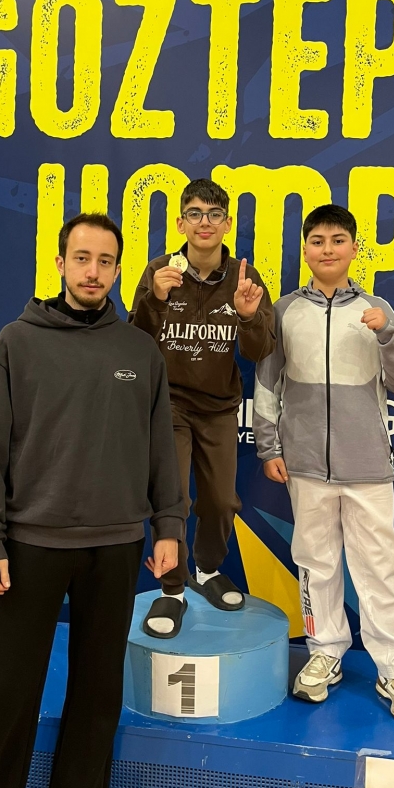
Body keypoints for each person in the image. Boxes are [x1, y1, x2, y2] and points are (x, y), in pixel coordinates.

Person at [0, 213, 184, 788]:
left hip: (116, 545)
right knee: (3, 697)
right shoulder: (17, 342)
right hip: (30, 548)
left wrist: (169, 525)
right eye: (82, 258)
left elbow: (160, 449)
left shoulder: (139, 351)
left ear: (117, 270)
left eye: (105, 261)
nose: (92, 272)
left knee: (97, 696)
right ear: (59, 263)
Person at [253, 203, 394, 722]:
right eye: (317, 241)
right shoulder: (283, 311)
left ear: (353, 249)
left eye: (337, 240)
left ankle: (393, 668)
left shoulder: (376, 309)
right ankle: (324, 652)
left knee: (378, 568)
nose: (327, 249)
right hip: (305, 466)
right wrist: (269, 447)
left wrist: (387, 334)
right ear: (305, 250)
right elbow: (267, 384)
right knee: (315, 563)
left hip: (368, 466)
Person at [129, 178, 276, 638]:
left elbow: (261, 350)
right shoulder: (160, 270)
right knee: (173, 499)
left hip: (218, 409)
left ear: (228, 224)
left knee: (220, 501)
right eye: (194, 213)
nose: (204, 222)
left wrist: (248, 317)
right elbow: (134, 341)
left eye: (214, 215)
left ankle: (207, 569)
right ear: (180, 223)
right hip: (167, 406)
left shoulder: (244, 277)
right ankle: (172, 590)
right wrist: (154, 299)